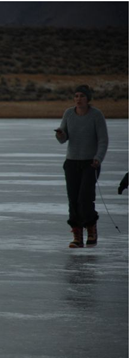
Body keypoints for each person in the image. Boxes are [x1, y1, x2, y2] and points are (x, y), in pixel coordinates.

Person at [55, 85, 108, 248]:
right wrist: (60, 134)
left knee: (85, 198)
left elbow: (103, 140)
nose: (78, 99)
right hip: (71, 163)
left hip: (90, 163)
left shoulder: (96, 115)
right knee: (73, 199)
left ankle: (91, 228)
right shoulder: (68, 113)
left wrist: (98, 158)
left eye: (82, 96)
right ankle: (77, 234)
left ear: (88, 99)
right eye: (76, 96)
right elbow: (63, 139)